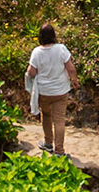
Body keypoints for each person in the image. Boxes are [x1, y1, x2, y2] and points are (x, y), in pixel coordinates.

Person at [26, 22, 77, 157]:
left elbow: (31, 72)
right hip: (60, 91)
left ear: (40, 36)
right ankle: (59, 151)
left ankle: (48, 143)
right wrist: (74, 80)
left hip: (44, 92)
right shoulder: (61, 49)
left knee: (46, 115)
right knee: (59, 120)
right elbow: (70, 68)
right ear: (54, 35)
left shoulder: (37, 52)